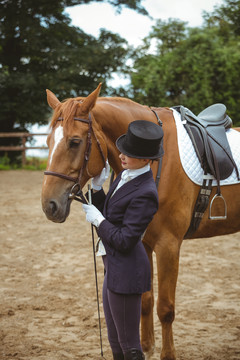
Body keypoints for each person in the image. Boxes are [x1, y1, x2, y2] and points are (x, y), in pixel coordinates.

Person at [82, 120, 164, 360]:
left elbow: (125, 239)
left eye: (130, 153)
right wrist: (97, 191)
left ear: (146, 159)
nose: (121, 155)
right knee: (115, 342)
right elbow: (113, 215)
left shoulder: (146, 192)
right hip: (113, 268)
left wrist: (98, 221)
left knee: (130, 346)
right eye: (123, 150)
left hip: (128, 272)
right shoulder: (124, 176)